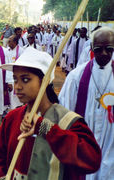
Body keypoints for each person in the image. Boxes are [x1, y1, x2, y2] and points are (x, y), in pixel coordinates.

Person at [0, 47, 101, 180]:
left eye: (25, 80)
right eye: (15, 79)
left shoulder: (67, 121)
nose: (18, 86)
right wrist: (1, 176)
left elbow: (91, 161)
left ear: (44, 81)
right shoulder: (12, 118)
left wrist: (45, 128)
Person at [59, 26, 114, 180]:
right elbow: (64, 110)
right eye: (98, 49)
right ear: (91, 48)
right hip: (84, 140)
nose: (104, 53)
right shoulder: (76, 76)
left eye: (109, 49)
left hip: (111, 142)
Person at [6, 35, 24, 110]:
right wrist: (8, 81)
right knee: (11, 98)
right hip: (9, 77)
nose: (8, 42)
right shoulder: (7, 51)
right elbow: (6, 66)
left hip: (18, 77)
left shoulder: (21, 51)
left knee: (18, 98)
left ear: (15, 42)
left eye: (10, 41)